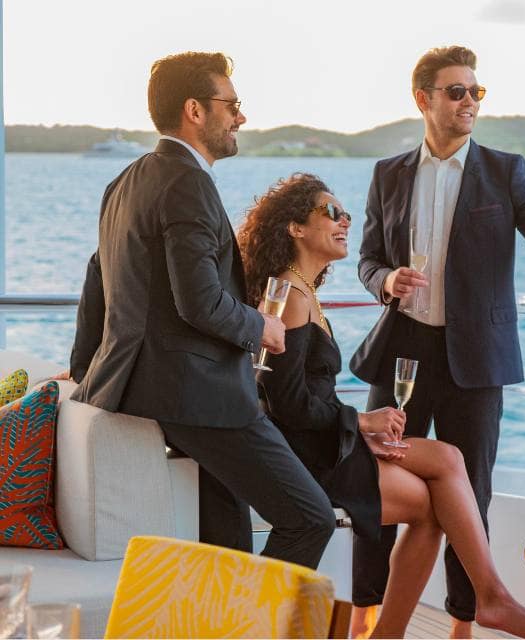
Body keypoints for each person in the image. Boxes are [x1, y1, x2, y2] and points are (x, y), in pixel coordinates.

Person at [239, 172, 525, 639]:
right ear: (295, 227)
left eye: (346, 212)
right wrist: (362, 422)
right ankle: (479, 602)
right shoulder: (289, 298)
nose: (345, 220)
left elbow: (302, 398)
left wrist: (361, 429)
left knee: (446, 468)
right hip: (311, 454)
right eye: (331, 212)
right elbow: (287, 405)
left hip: (327, 437)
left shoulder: (300, 291)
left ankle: (476, 602)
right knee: (435, 500)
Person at [68, 51, 336, 568]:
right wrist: (263, 325)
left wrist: (87, 372)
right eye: (231, 104)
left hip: (137, 386)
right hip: (197, 395)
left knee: (226, 536)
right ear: (195, 110)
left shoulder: (124, 181)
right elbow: (200, 302)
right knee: (310, 518)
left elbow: (96, 284)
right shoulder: (188, 181)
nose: (241, 117)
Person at [348, 44, 525, 637]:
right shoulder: (388, 173)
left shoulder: (505, 170)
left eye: (477, 91)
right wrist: (386, 281)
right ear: (423, 99)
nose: (470, 101)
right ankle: (364, 618)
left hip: (476, 360)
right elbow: (368, 260)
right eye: (457, 91)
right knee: (373, 492)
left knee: (470, 496)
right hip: (403, 353)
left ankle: (462, 624)